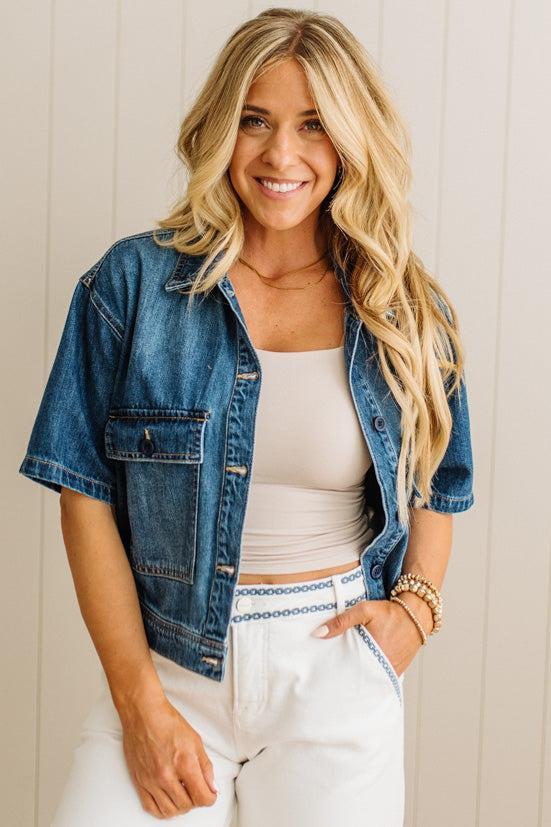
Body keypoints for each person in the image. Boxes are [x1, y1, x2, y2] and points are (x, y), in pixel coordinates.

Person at [18, 8, 475, 826]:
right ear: (218, 126)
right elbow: (82, 495)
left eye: (313, 125)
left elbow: (437, 487)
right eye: (254, 121)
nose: (280, 155)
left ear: (348, 138)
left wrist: (412, 614)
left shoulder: (403, 307)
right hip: (171, 664)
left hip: (333, 667)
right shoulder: (130, 286)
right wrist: (140, 706)